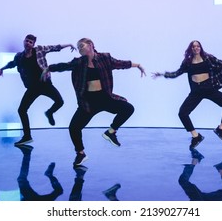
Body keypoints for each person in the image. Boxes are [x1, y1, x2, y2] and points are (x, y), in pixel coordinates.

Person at [44, 38, 146, 166]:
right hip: (88, 102)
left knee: (128, 108)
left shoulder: (105, 58)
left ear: (91, 45)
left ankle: (111, 132)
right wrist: (49, 68)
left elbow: (120, 64)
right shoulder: (79, 62)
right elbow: (64, 66)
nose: (80, 48)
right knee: (74, 128)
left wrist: (137, 65)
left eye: (82, 45)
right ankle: (80, 154)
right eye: (78, 47)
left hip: (105, 98)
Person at [152, 40, 222, 148]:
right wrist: (163, 74)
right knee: (182, 113)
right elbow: (177, 73)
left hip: (209, 89)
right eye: (193, 46)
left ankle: (221, 129)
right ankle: (196, 136)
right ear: (191, 49)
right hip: (196, 92)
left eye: (198, 46)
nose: (196, 48)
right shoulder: (187, 62)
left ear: (200, 48)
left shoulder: (208, 58)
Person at [0, 34, 76, 146]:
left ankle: (49, 113)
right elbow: (13, 64)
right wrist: (2, 69)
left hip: (45, 84)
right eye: (27, 41)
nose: (28, 43)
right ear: (24, 41)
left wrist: (68, 45)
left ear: (33, 44)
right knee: (22, 110)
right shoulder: (19, 56)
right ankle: (27, 136)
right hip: (32, 88)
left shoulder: (39, 50)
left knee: (60, 102)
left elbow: (54, 47)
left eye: (30, 42)